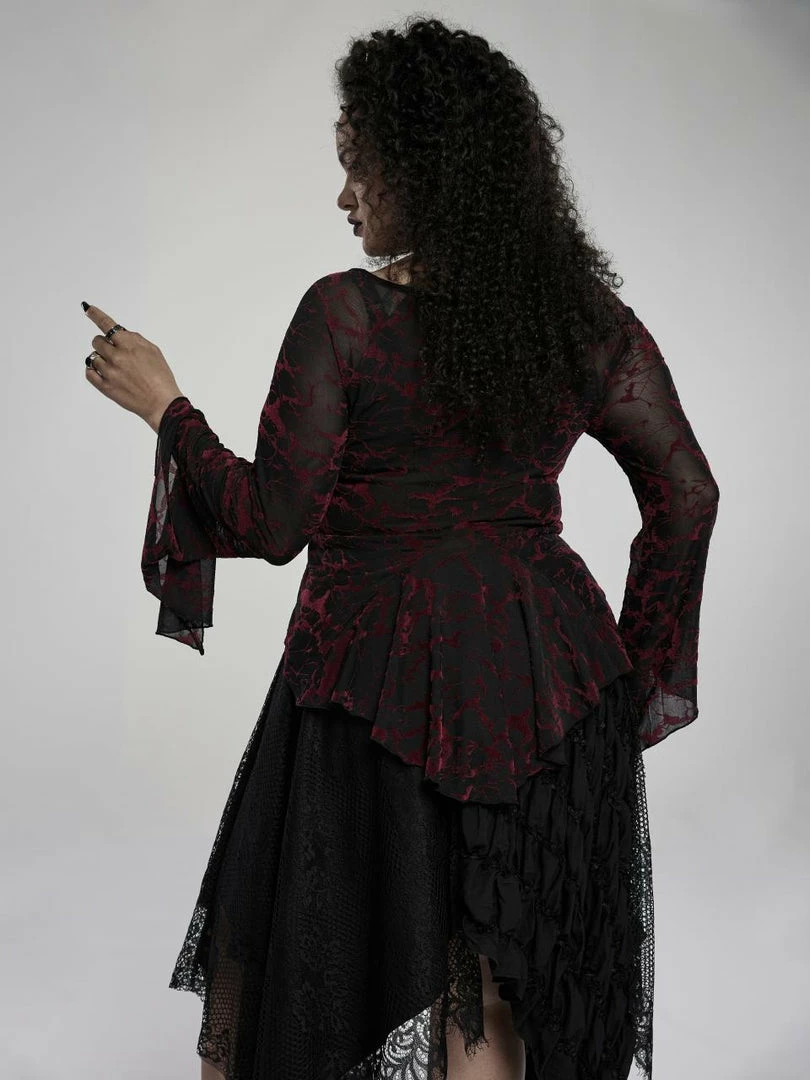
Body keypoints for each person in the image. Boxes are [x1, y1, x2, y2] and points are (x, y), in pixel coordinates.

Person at [84, 16, 719, 1080]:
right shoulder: (585, 322)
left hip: (371, 686)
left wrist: (167, 409)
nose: (345, 197)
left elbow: (271, 522)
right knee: (489, 1007)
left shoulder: (346, 316)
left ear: (423, 168)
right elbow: (688, 496)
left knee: (272, 986)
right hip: (552, 691)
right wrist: (630, 687)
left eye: (359, 166)